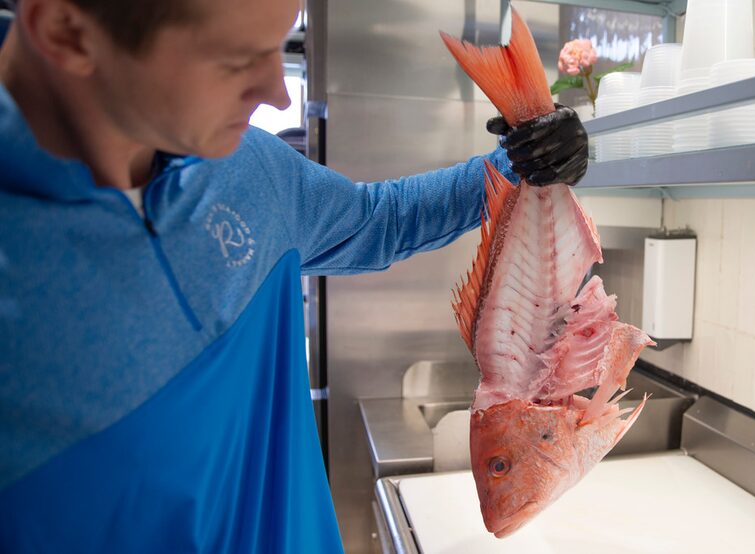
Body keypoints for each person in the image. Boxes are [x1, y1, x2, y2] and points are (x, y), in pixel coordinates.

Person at [0, 0, 588, 552]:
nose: (279, 95)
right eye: (238, 60)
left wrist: (523, 159)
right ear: (66, 31)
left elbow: (377, 219)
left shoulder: (248, 169)